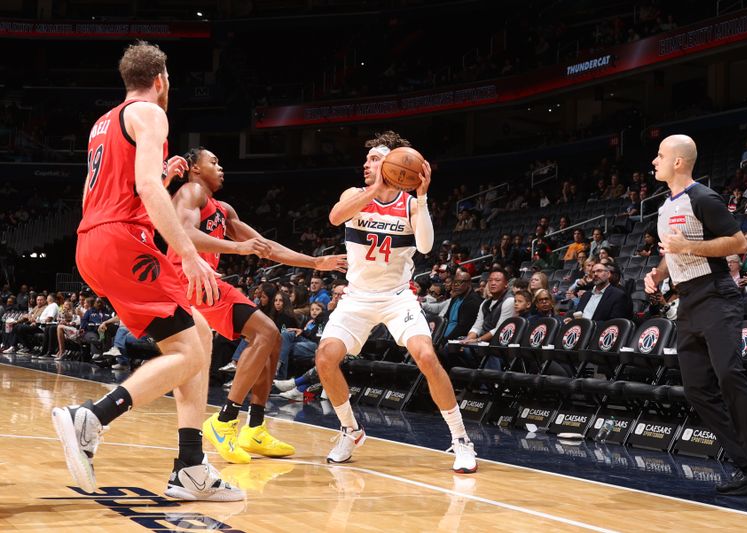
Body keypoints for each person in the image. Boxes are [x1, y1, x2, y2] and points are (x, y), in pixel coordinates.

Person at [52, 42, 243, 501]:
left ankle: (190, 466)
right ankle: (93, 417)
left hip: (91, 241)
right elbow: (141, 188)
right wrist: (189, 252)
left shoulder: (104, 123)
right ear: (161, 80)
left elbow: (98, 195)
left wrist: (161, 175)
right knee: (194, 353)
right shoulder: (151, 112)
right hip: (123, 242)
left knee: (198, 333)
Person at [168, 147, 346, 464]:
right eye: (214, 161)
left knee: (271, 338)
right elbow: (184, 233)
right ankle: (223, 421)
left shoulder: (222, 209)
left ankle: (255, 427)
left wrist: (315, 262)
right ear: (194, 168)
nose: (220, 167)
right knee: (266, 331)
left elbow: (266, 247)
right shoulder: (192, 191)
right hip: (188, 279)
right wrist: (238, 247)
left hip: (204, 284)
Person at [315, 130, 477, 473]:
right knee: (325, 358)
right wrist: (375, 188)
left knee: (427, 356)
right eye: (368, 158)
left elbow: (427, 246)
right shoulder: (355, 195)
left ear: (391, 165)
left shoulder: (409, 204)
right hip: (357, 296)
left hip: (397, 297)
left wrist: (422, 196)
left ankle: (461, 439)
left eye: (375, 158)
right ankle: (350, 429)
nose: (366, 163)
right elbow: (334, 217)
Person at [645, 134, 747, 495]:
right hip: (689, 301)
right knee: (696, 390)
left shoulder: (703, 197)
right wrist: (658, 274)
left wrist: (689, 246)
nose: (654, 161)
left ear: (679, 161)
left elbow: (740, 243)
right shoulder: (665, 206)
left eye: (660, 155)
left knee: (729, 375)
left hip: (716, 294)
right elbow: (672, 252)